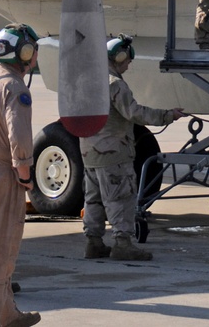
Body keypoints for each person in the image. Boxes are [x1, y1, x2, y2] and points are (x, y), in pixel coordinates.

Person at [82, 35, 186, 262]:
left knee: (94, 200)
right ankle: (122, 244)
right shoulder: (115, 84)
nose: (128, 65)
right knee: (120, 199)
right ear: (118, 57)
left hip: (90, 153)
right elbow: (135, 113)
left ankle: (94, 243)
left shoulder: (89, 80)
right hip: (113, 153)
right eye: (127, 60)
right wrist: (168, 115)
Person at [0, 23, 41, 327]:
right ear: (24, 53)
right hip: (3, 174)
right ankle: (1, 316)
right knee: (3, 244)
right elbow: (20, 138)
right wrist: (24, 174)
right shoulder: (15, 88)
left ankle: (6, 310)